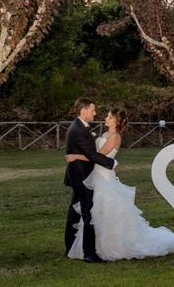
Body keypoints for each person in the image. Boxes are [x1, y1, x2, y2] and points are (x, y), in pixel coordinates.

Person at [66, 107, 174, 261]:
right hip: (96, 176)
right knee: (95, 213)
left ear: (116, 121)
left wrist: (75, 156)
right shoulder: (106, 134)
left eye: (109, 116)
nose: (106, 118)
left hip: (104, 179)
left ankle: (113, 246)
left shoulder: (114, 137)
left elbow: (96, 156)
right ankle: (95, 246)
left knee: (106, 212)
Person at [64, 98, 117, 263]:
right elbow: (92, 155)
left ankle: (70, 247)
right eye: (92, 110)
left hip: (82, 174)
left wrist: (75, 156)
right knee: (88, 212)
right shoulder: (77, 129)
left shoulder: (81, 127)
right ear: (83, 111)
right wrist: (112, 163)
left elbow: (88, 154)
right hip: (80, 176)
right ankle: (89, 253)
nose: (95, 113)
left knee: (75, 212)